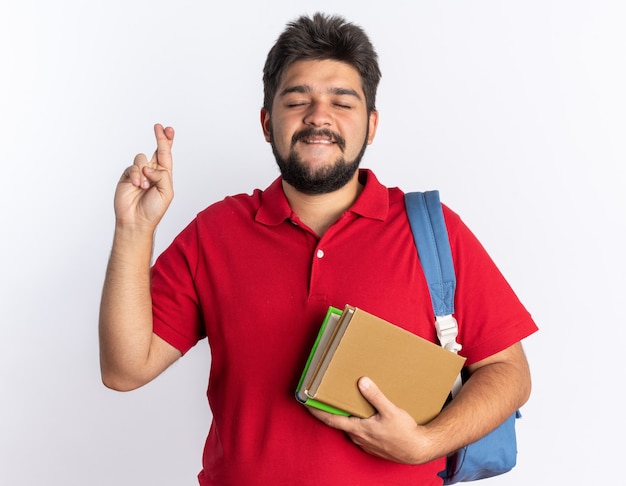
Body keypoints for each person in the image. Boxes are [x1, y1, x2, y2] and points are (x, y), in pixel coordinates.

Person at [99, 12, 538, 485]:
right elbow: (125, 369)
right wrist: (133, 228)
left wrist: (426, 444)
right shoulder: (216, 231)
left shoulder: (433, 231)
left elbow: (509, 374)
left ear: (371, 125)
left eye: (341, 102)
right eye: (297, 100)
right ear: (267, 122)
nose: (318, 117)